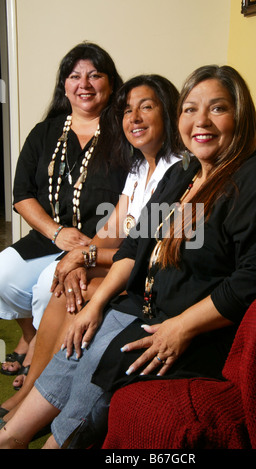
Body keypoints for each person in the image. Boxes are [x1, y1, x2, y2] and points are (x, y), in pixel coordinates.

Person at [1, 64, 256, 449]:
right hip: (149, 307)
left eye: (218, 108)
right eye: (191, 109)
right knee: (80, 340)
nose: (201, 121)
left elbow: (255, 280)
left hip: (202, 330)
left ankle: (56, 444)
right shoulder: (189, 175)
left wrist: (182, 327)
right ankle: (12, 435)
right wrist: (97, 304)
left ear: (241, 115)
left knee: (103, 358)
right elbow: (137, 243)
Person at [0, 75, 180, 417]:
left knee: (83, 289)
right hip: (128, 259)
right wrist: (77, 259)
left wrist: (88, 254)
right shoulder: (140, 165)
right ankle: (30, 394)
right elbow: (115, 227)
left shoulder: (178, 170)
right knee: (66, 280)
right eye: (128, 110)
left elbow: (152, 252)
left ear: (168, 113)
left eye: (147, 107)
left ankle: (42, 406)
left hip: (152, 270)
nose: (135, 118)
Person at [0, 42, 127, 386]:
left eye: (95, 75)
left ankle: (41, 369)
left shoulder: (125, 132)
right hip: (48, 237)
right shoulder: (45, 132)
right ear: (64, 85)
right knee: (3, 273)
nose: (84, 84)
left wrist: (85, 252)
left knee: (48, 289)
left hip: (95, 243)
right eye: (74, 76)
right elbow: (21, 195)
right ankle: (29, 337)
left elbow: (134, 199)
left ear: (111, 84)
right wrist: (56, 233)